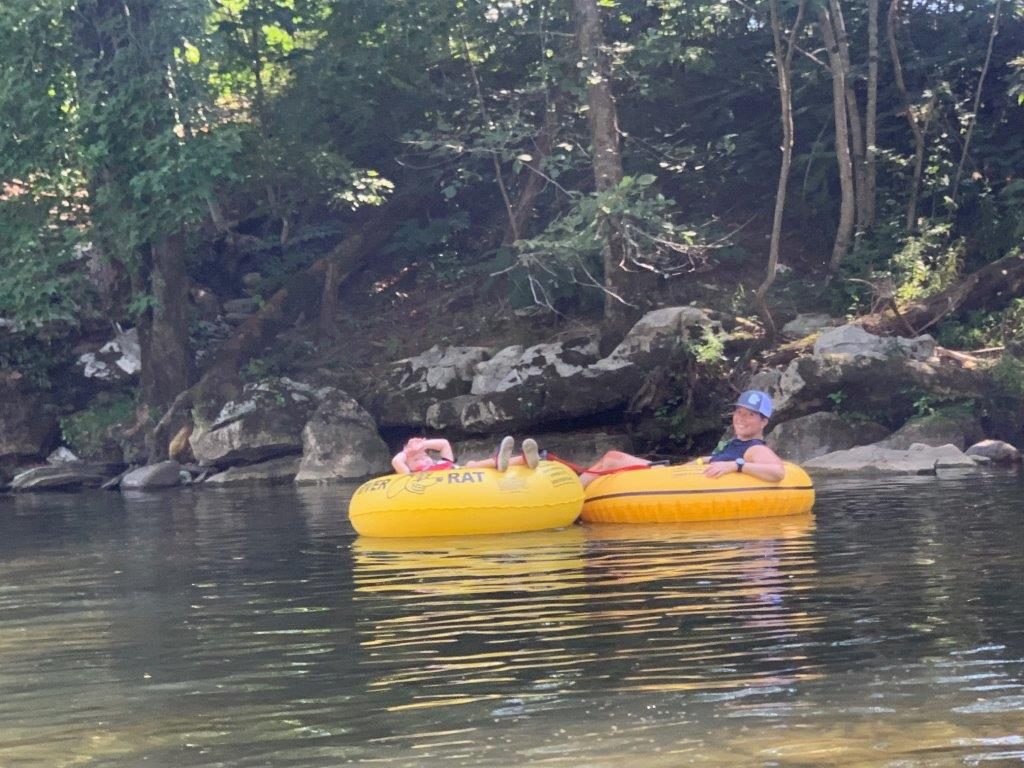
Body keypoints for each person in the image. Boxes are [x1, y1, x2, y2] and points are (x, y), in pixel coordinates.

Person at [578, 389, 785, 487]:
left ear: (764, 422)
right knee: (612, 460)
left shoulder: (755, 449)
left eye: (750, 414)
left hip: (676, 483)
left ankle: (573, 495)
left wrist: (737, 466)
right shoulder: (736, 443)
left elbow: (777, 472)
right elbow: (718, 461)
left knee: (613, 458)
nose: (741, 418)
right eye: (739, 412)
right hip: (680, 476)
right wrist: (706, 460)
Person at [391, 435, 542, 475]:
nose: (423, 459)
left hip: (463, 475)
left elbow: (443, 443)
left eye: (424, 456)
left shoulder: (442, 463)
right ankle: (499, 461)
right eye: (416, 459)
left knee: (469, 465)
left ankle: (525, 459)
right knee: (470, 465)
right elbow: (396, 461)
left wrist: (423, 445)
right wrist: (408, 452)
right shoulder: (410, 474)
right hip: (464, 474)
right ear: (408, 465)